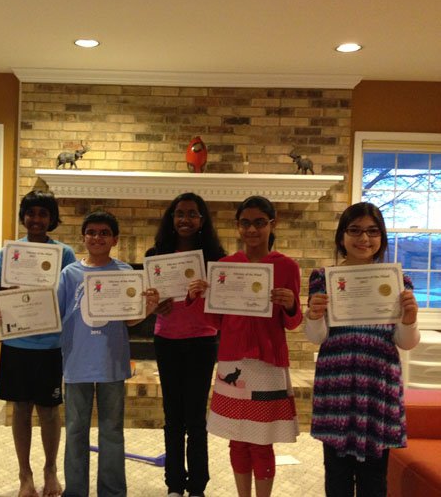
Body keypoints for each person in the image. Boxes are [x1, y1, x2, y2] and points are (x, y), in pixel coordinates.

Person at [305, 202, 420, 497]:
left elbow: (405, 342)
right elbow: (316, 338)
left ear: (381, 237)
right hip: (337, 389)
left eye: (372, 231)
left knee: (374, 479)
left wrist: (409, 320)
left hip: (376, 389)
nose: (364, 239)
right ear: (342, 236)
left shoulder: (397, 281)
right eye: (354, 230)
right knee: (337, 478)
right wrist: (314, 316)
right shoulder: (323, 278)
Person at [201, 195, 302, 497]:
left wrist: (292, 303)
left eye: (260, 222)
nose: (252, 230)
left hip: (268, 363)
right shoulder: (226, 266)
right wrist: (203, 297)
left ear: (273, 224)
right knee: (237, 438)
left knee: (261, 439)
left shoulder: (286, 267)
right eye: (246, 223)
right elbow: (215, 322)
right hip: (233, 360)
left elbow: (293, 323)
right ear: (238, 226)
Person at [58, 211, 159, 497]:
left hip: (112, 362)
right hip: (77, 363)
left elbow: (129, 320)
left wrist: (149, 308)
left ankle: (112, 492)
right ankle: (75, 491)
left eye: (104, 233)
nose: (97, 237)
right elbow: (57, 314)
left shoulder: (126, 273)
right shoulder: (69, 274)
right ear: (83, 237)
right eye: (91, 232)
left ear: (115, 239)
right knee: (76, 430)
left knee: (111, 431)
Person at [0, 190, 75, 497]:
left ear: (51, 218)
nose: (36, 219)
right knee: (21, 409)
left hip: (51, 344)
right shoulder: (9, 253)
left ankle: (50, 470)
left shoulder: (63, 253)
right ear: (23, 217)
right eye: (31, 213)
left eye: (43, 214)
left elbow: (66, 297)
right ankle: (24, 475)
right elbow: (0, 292)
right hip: (17, 342)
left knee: (50, 410)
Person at [145, 192, 226, 497]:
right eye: (179, 213)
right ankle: (174, 485)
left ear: (202, 220)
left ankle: (197, 486)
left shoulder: (216, 258)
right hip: (167, 339)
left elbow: (225, 303)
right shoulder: (156, 254)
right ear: (171, 218)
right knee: (173, 416)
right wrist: (154, 306)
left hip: (202, 340)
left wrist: (209, 291)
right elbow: (148, 298)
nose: (185, 220)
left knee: (195, 417)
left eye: (192, 214)